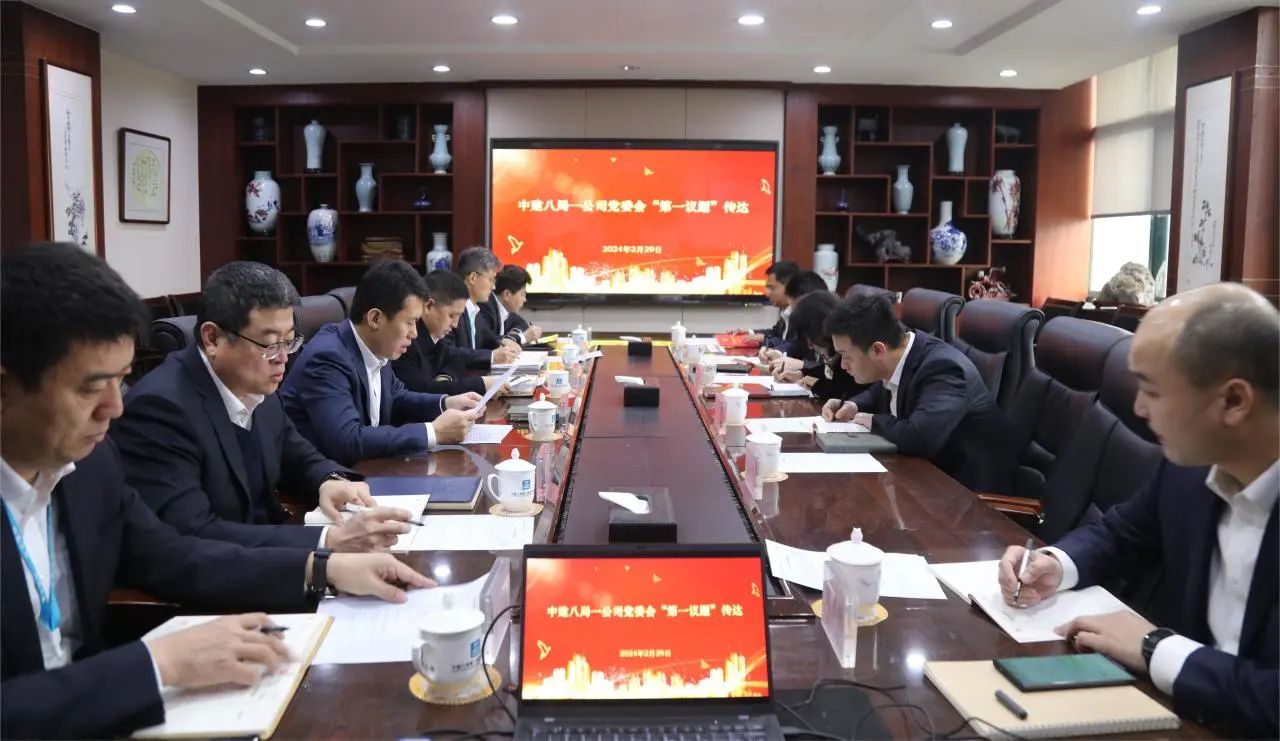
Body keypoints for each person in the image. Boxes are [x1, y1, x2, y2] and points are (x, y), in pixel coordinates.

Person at [0, 243, 433, 738]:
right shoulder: (150, 415)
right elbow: (193, 533)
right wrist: (155, 665)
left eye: (121, 381)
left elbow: (170, 554)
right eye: (90, 388)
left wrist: (324, 567)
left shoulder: (88, 465)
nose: (115, 408)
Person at [997, 283, 1278, 737]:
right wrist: (1056, 564)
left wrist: (1154, 648)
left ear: (1233, 401)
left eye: (1152, 391)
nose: (1139, 409)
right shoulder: (1189, 469)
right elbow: (1122, 533)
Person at [113, 262, 413, 551]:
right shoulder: (160, 410)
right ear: (212, 338)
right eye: (270, 344)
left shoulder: (258, 384)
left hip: (268, 552)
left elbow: (297, 454)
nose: (283, 358)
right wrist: (327, 541)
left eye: (289, 341)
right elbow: (194, 534)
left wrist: (329, 481)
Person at [279, 260, 483, 466]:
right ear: (375, 318)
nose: (414, 333)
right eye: (409, 322)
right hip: (325, 478)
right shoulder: (327, 357)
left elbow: (397, 397)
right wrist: (434, 432)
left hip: (369, 470)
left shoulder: (377, 345)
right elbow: (347, 440)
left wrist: (446, 403)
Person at [820, 293, 1014, 494]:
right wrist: (853, 406)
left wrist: (871, 420)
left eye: (846, 357)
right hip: (924, 477)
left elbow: (919, 438)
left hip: (965, 492)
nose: (843, 366)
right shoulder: (904, 352)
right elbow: (882, 389)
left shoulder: (944, 369)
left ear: (878, 350)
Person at [393, 270, 488, 396]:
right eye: (452, 315)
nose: (455, 324)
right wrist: (482, 384)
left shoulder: (436, 337)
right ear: (428, 306)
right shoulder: (406, 341)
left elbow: (456, 361)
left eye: (459, 316)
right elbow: (421, 390)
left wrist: (444, 378)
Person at [773, 290, 863, 400]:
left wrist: (816, 384)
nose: (810, 346)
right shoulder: (835, 353)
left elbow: (845, 391)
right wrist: (802, 374)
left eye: (811, 339)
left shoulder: (852, 351)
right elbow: (830, 376)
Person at [447, 246, 520, 370]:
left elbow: (487, 337)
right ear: (473, 278)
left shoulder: (474, 310)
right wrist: (492, 356)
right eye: (491, 279)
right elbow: (449, 352)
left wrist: (504, 341)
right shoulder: (452, 310)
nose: (493, 287)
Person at [764, 270, 833, 371]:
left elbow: (835, 373)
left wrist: (803, 365)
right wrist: (777, 352)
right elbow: (797, 345)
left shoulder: (835, 331)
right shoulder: (806, 326)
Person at [731, 260, 798, 348]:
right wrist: (750, 332)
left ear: (789, 287)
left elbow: (795, 346)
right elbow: (774, 333)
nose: (768, 294)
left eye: (772, 288)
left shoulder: (802, 315)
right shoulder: (786, 311)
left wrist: (764, 339)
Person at [494, 264, 543, 344]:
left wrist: (515, 333)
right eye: (522, 295)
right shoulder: (486, 309)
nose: (525, 300)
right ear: (507, 294)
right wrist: (523, 337)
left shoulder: (506, 310)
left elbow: (521, 323)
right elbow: (489, 341)